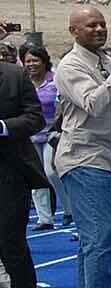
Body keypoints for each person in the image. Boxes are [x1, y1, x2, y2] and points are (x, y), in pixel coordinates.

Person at [54, 7, 111, 288]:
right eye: (91, 25)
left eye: (102, 24)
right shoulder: (71, 66)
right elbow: (94, 103)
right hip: (84, 157)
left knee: (92, 240)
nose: (99, 29)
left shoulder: (104, 61)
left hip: (109, 157)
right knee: (102, 236)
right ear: (73, 31)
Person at [0, 49, 44, 288]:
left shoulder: (15, 76)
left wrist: (3, 127)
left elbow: (35, 118)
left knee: (11, 244)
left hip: (9, 173)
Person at [18, 43, 66, 230]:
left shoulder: (54, 80)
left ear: (44, 61)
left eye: (35, 60)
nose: (31, 64)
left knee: (52, 172)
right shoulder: (22, 82)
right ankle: (44, 218)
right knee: (35, 176)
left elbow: (61, 105)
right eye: (28, 61)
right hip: (30, 135)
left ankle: (69, 209)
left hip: (51, 135)